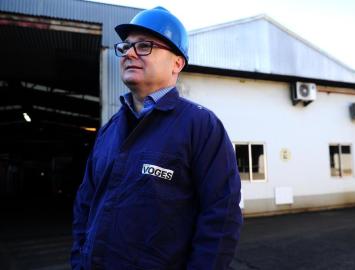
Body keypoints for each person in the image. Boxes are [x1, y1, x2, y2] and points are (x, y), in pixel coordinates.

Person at [71, 6, 242, 270]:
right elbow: (85, 206)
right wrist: (79, 261)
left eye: (144, 46)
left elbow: (222, 217)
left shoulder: (201, 126)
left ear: (177, 63)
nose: (129, 53)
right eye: (126, 47)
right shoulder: (109, 130)